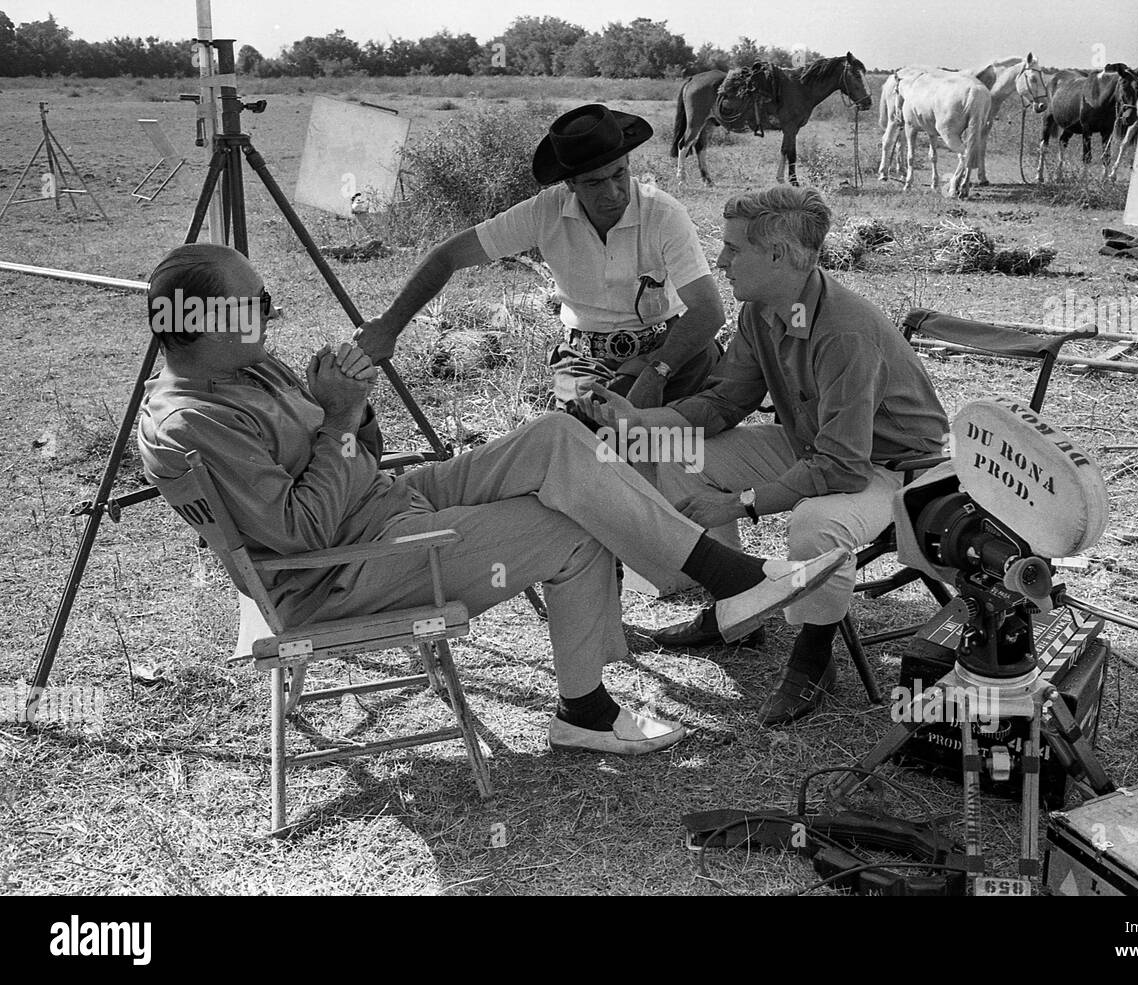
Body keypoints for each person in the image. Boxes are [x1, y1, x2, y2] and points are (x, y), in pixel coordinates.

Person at [137, 244, 849, 756]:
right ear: (206, 318)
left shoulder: (248, 366)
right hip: (341, 569)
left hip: (379, 504)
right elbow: (298, 533)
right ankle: (586, 705)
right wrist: (339, 418)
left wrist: (356, 415)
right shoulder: (190, 424)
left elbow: (354, 451)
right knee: (573, 523)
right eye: (255, 303)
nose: (269, 312)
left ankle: (730, 582)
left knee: (558, 438)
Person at [576, 186, 949, 726]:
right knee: (677, 454)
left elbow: (844, 466)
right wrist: (637, 423)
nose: (722, 262)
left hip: (890, 468)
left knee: (816, 525)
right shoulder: (762, 310)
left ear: (777, 256)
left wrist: (744, 504)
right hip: (812, 442)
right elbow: (727, 399)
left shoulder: (844, 331)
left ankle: (814, 656)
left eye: (732, 249)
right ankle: (739, 604)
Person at [355, 103, 726, 414]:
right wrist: (389, 327)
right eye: (595, 183)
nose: (613, 192)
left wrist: (655, 372)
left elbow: (708, 312)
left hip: (668, 353)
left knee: (684, 426)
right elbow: (447, 257)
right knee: (589, 438)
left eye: (619, 174)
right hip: (588, 359)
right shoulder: (544, 212)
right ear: (570, 185)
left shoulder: (663, 213)